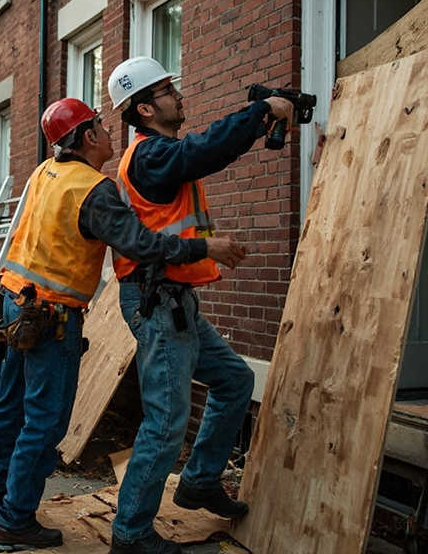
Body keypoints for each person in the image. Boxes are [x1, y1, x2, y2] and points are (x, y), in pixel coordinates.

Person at [0, 98, 248, 550]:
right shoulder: (93, 189)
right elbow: (141, 244)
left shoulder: (44, 173)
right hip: (51, 317)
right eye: (100, 125)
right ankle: (14, 520)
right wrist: (204, 249)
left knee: (7, 408)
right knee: (44, 424)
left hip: (13, 303)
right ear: (88, 137)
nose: (107, 131)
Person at [104, 56, 297, 554]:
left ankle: (199, 482)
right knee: (166, 420)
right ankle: (130, 535)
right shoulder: (150, 156)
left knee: (235, 380)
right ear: (144, 108)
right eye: (168, 90)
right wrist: (262, 112)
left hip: (174, 301)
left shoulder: (156, 154)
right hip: (158, 302)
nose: (179, 95)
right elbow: (206, 149)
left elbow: (200, 151)